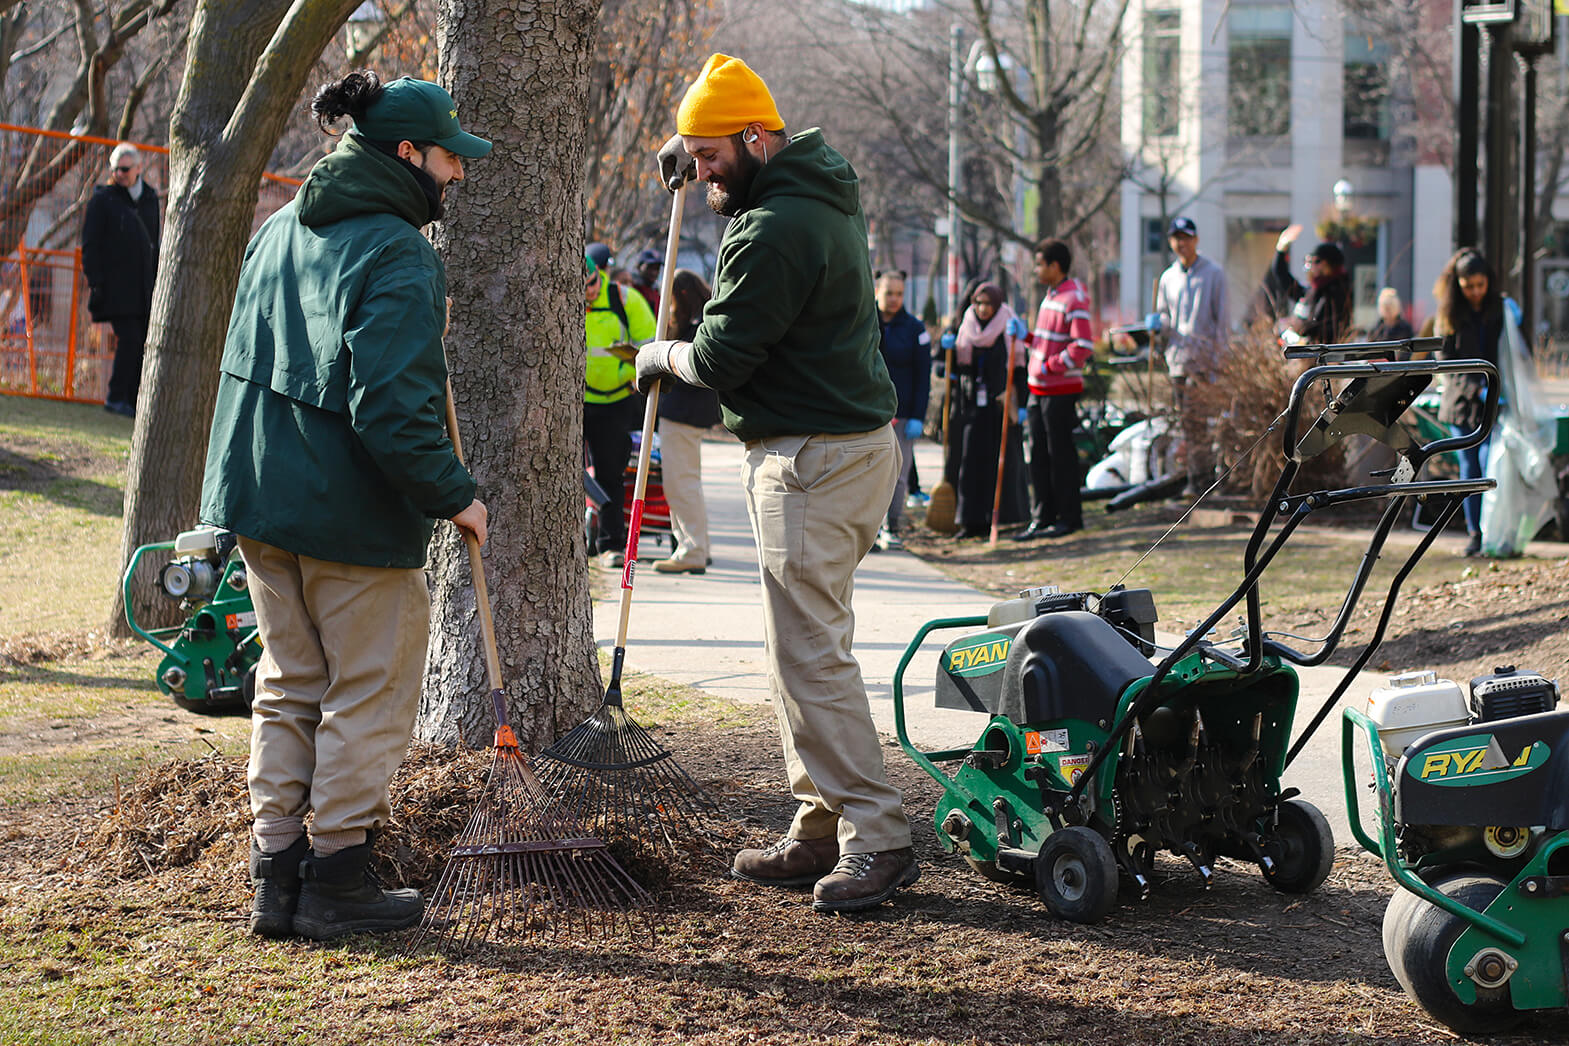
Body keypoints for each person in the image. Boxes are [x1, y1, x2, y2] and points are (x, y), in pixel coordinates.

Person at [197, 71, 491, 940]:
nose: (457, 173)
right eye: (449, 158)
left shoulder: (280, 225)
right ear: (407, 153)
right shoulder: (400, 254)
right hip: (349, 517)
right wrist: (455, 496)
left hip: (259, 500)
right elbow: (393, 411)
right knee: (367, 691)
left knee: (288, 682)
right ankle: (337, 879)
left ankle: (275, 873)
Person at [636, 53, 917, 913]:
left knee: (811, 659)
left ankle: (877, 835)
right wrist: (691, 147)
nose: (701, 173)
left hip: (811, 463)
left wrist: (660, 354)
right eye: (693, 157)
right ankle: (817, 826)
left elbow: (720, 358)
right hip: (845, 450)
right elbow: (739, 163)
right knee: (796, 653)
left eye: (711, 155)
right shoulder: (819, 187)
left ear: (757, 137)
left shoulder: (772, 229)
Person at [1015, 238, 1095, 540]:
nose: (1036, 270)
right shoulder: (1050, 297)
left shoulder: (1074, 298)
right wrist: (1027, 338)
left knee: (1060, 454)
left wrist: (1051, 366)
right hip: (1038, 389)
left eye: (1040, 265)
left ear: (1055, 266)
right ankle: (1042, 517)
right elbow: (1048, 341)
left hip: (1059, 388)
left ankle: (1068, 518)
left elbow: (1082, 345)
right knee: (1037, 454)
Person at [584, 250, 658, 569]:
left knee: (610, 474)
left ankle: (611, 543)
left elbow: (650, 346)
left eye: (591, 284)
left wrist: (628, 374)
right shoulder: (564, 298)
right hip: (577, 402)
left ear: (598, 276)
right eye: (582, 288)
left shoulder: (625, 299)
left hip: (616, 402)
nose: (588, 292)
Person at [1433, 249, 1506, 558]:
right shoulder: (1448, 315)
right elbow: (1446, 364)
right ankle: (1475, 533)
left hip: (1493, 401)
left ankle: (1493, 529)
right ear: (1458, 285)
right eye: (1468, 286)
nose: (1475, 291)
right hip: (1462, 404)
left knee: (1491, 462)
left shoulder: (1497, 309)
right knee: (1470, 467)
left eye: (1480, 284)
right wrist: (1476, 388)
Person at [942, 282, 1028, 538]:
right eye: (978, 303)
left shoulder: (1008, 325)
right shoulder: (964, 326)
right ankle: (970, 521)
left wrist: (1022, 404)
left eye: (988, 303)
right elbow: (947, 366)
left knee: (1001, 463)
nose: (982, 308)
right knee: (969, 463)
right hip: (970, 407)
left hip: (999, 407)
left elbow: (1020, 368)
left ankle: (1004, 519)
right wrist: (946, 354)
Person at [1150, 216, 1228, 496]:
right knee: (1187, 422)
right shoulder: (1168, 277)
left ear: (1195, 239)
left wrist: (1219, 361)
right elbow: (1165, 315)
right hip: (1178, 362)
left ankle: (1202, 480)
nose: (1181, 244)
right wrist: (1158, 326)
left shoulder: (1213, 274)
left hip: (1204, 362)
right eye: (1176, 239)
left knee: (1199, 422)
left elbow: (1222, 321)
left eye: (1185, 238)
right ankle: (1197, 479)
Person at [81, 142, 161, 417]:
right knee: (130, 339)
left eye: (125, 169)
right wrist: (96, 281)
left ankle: (133, 399)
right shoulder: (103, 200)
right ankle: (116, 397)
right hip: (116, 288)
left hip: (144, 288)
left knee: (142, 342)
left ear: (138, 168)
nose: (119, 174)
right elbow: (90, 244)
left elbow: (155, 243)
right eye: (116, 169)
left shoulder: (150, 199)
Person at [653, 269, 721, 574]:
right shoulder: (704, 323)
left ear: (680, 295)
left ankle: (693, 548)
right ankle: (693, 546)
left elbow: (690, 372)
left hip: (683, 414)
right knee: (683, 481)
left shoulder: (695, 329)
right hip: (687, 413)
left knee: (680, 483)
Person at [869, 269, 931, 552]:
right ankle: (868, 530)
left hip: (904, 414)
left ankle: (892, 526)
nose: (894, 299)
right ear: (877, 291)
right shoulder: (865, 322)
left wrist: (918, 415)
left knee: (898, 475)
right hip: (869, 412)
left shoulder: (915, 329)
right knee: (868, 475)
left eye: (899, 294)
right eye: (889, 293)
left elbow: (923, 375)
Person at [1267, 224, 1352, 347]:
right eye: (1310, 261)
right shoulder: (1314, 290)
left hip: (1324, 354)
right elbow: (1285, 281)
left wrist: (1302, 327)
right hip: (1309, 351)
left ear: (1329, 265)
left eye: (1316, 261)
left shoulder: (1338, 291)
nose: (1312, 266)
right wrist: (1281, 248)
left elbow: (1332, 328)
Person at [631, 247, 664, 314]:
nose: (654, 272)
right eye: (650, 267)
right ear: (639, 266)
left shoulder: (656, 291)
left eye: (657, 268)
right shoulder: (632, 289)